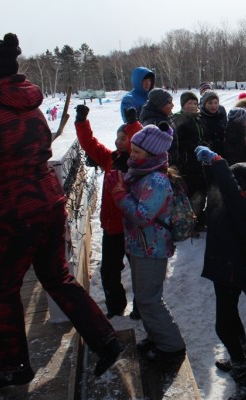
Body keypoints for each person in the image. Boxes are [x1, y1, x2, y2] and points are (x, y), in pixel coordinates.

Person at [0, 32, 123, 389]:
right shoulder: (28, 106)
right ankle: (106, 340)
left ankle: (13, 365)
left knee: (0, 286)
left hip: (17, 212)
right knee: (57, 277)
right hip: (49, 201)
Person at [194, 146, 246, 400]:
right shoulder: (237, 200)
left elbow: (226, 187)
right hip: (223, 269)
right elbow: (219, 187)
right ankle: (241, 361)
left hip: (231, 272)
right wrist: (209, 167)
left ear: (241, 187)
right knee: (231, 319)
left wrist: (217, 160)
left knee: (224, 326)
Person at [107, 123, 186, 363]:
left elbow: (142, 215)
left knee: (149, 299)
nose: (132, 155)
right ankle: (156, 336)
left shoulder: (157, 181)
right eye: (132, 150)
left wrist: (120, 196)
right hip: (141, 245)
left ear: (152, 155)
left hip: (153, 248)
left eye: (137, 152)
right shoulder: (141, 174)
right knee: (144, 297)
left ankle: (172, 346)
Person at [75, 104, 143, 319]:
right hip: (112, 226)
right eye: (118, 138)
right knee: (109, 271)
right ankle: (115, 305)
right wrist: (82, 122)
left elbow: (140, 139)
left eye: (124, 138)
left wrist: (133, 124)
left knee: (139, 271)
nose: (119, 141)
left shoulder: (139, 161)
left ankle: (141, 307)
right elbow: (90, 144)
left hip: (134, 226)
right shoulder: (110, 159)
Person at [172, 90, 207, 232]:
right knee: (190, 193)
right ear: (183, 105)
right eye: (189, 103)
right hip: (187, 162)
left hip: (200, 162)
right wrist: (192, 146)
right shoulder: (178, 118)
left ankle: (199, 221)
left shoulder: (198, 118)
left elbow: (202, 135)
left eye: (194, 103)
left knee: (201, 191)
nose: (192, 106)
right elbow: (178, 141)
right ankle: (189, 224)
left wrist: (205, 144)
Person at [139, 88, 178, 165]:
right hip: (164, 166)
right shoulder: (154, 124)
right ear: (160, 105)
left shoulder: (164, 117)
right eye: (169, 102)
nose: (173, 105)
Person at [199, 89, 228, 156]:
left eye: (216, 103)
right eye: (210, 103)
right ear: (204, 104)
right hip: (208, 155)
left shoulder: (220, 116)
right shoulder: (200, 118)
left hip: (222, 154)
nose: (213, 106)